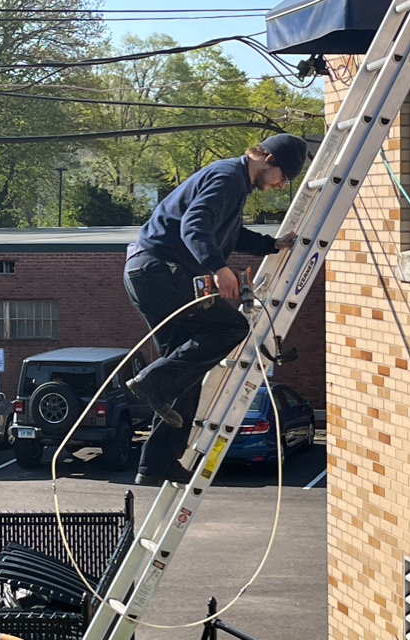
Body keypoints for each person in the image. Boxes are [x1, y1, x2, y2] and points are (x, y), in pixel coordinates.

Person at [123, 133, 308, 486]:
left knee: (185, 373)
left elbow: (231, 233)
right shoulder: (227, 178)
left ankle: (157, 463)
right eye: (283, 177)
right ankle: (152, 382)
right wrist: (218, 269)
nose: (280, 185)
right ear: (269, 158)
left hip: (152, 274)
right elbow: (195, 226)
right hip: (160, 272)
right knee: (231, 328)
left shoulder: (234, 183)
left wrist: (271, 245)